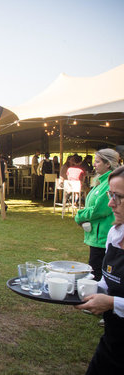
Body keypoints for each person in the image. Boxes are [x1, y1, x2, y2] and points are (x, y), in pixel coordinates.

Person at [75, 165, 124, 374]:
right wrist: (80, 289)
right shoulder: (115, 233)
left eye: (119, 197)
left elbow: (111, 297)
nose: (111, 203)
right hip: (113, 343)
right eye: (110, 195)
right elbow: (107, 282)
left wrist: (112, 303)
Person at [75, 149, 120, 281]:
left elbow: (99, 210)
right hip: (96, 236)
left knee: (97, 276)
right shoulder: (101, 182)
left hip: (102, 238)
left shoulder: (109, 183)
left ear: (108, 164)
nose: (94, 164)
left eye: (97, 161)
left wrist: (79, 216)